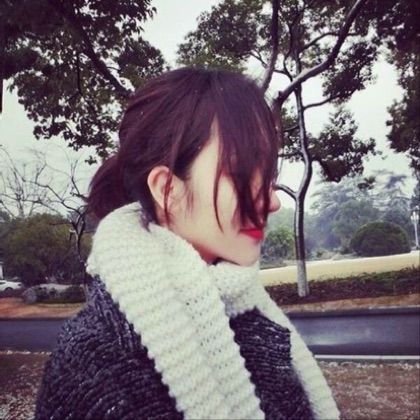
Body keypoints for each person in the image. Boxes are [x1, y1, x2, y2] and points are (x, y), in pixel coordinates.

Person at [35, 67, 340, 420]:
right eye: (243, 174)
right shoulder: (94, 360)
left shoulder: (248, 309)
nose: (272, 202)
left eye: (269, 176)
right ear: (168, 191)